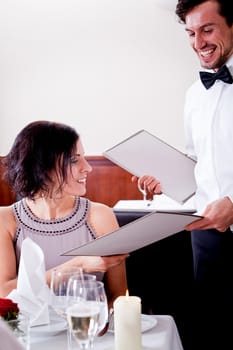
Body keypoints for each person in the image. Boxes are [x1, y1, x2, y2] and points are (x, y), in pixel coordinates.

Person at [134, 1, 233, 349]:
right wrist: (168, 180)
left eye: (207, 30)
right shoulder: (194, 94)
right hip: (206, 234)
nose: (198, 42)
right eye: (191, 33)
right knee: (211, 327)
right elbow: (197, 160)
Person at [0, 120, 128, 309]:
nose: (88, 167)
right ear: (42, 167)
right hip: (28, 336)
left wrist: (95, 330)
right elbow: (5, 292)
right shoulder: (6, 219)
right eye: (74, 160)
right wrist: (78, 265)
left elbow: (118, 297)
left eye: (84, 157)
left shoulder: (100, 216)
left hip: (88, 332)